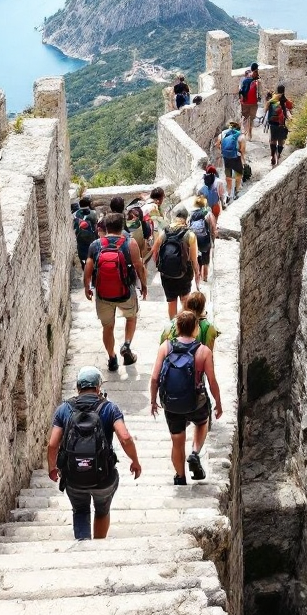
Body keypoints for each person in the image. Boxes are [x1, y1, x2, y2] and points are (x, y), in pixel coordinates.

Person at [48, 366, 142, 540]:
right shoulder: (109, 408)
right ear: (99, 388)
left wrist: (52, 468)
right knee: (101, 511)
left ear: (77, 387)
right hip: (103, 477)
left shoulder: (63, 409)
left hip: (74, 477)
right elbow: (125, 437)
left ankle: (83, 546)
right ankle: (98, 546)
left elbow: (53, 445)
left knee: (80, 510)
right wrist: (135, 461)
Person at [150, 311, 223, 485]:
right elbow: (212, 381)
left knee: (177, 440)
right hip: (196, 402)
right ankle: (195, 452)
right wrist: (218, 403)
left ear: (177, 327)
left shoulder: (165, 347)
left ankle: (180, 477)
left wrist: (153, 401)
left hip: (172, 403)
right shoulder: (203, 351)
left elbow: (154, 378)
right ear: (196, 329)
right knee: (202, 423)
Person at [84, 213, 148, 371]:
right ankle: (126, 344)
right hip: (125, 291)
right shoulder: (130, 243)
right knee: (131, 317)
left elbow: (88, 267)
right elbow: (139, 266)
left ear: (106, 228)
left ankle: (112, 358)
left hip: (103, 295)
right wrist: (144, 285)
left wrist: (87, 286)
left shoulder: (96, 245)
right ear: (122, 227)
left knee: (108, 327)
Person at [151, 204, 201, 319]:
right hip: (185, 272)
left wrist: (160, 264)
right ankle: (184, 326)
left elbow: (154, 250)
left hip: (167, 274)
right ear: (186, 218)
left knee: (171, 302)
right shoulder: (190, 235)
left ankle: (173, 328)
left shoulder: (164, 232)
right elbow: (194, 259)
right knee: (185, 300)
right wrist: (197, 274)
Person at [188, 194, 217, 283]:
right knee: (206, 258)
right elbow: (213, 226)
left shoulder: (191, 214)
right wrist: (213, 237)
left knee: (197, 258)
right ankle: (205, 277)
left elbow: (188, 226)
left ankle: (197, 276)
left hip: (195, 239)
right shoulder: (208, 213)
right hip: (205, 239)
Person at [219, 121, 246, 202]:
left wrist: (223, 151)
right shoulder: (241, 137)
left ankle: (228, 193)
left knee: (228, 175)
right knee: (238, 174)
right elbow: (242, 150)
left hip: (226, 158)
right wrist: (243, 160)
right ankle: (237, 191)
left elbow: (217, 145)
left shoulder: (222, 135)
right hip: (236, 158)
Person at [266, 84, 293, 166]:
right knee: (281, 141)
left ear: (277, 90)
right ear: (284, 91)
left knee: (273, 140)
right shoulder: (285, 100)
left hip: (273, 122)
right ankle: (278, 155)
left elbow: (266, 109)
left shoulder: (273, 99)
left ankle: (272, 156)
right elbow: (290, 107)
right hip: (281, 123)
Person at [72, 196, 98, 270]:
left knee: (83, 257)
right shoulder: (93, 213)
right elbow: (95, 227)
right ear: (89, 204)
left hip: (80, 238)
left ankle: (85, 269)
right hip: (91, 238)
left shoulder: (75, 214)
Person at [238, 62, 261, 139]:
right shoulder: (257, 81)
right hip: (253, 102)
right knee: (250, 118)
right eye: (257, 70)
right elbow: (260, 92)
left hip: (245, 102)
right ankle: (249, 133)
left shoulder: (244, 79)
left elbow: (240, 90)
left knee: (246, 118)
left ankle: (246, 132)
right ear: (255, 70)